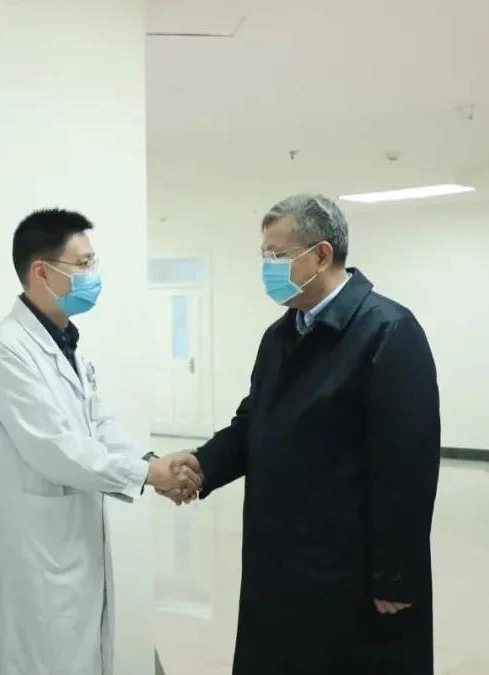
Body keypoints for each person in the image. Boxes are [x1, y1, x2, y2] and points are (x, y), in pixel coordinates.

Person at [161, 194, 441, 674]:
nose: (267, 267)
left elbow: (408, 467)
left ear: (322, 255)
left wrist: (395, 574)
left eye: (278, 255)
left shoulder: (388, 331)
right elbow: (254, 423)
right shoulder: (280, 335)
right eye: (264, 255)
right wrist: (203, 465)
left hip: (346, 568)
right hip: (279, 558)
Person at [0, 208, 201, 675]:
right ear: (42, 271)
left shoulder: (65, 342)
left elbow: (99, 424)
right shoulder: (5, 349)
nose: (93, 274)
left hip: (73, 549)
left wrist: (150, 461)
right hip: (40, 559)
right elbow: (56, 448)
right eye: (83, 264)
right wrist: (150, 474)